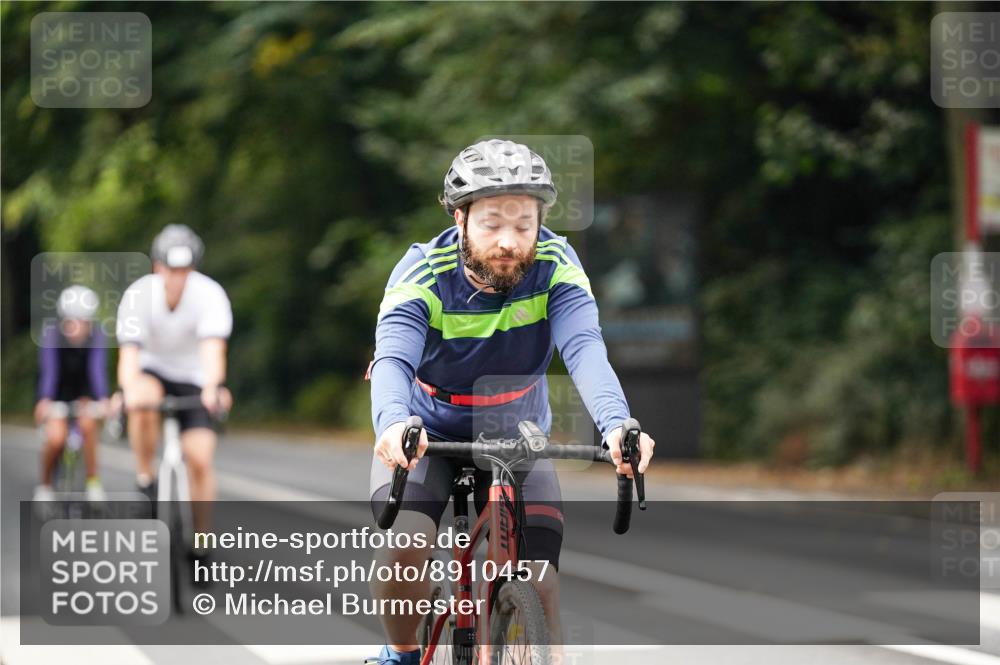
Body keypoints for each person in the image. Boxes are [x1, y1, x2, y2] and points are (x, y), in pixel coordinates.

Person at [367, 139, 656, 664]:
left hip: (515, 433)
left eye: (524, 225)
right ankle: (402, 654)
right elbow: (392, 361)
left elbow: (585, 349)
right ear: (460, 218)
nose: (508, 241)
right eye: (492, 224)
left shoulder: (556, 264)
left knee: (540, 585)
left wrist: (617, 424)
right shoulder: (422, 272)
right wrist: (391, 424)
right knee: (404, 548)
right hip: (428, 432)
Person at [116, 224, 233, 537]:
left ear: (192, 268)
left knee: (200, 458)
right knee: (142, 399)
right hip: (152, 370)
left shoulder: (209, 294)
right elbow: (129, 354)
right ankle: (146, 479)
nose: (178, 277)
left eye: (184, 270)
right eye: (171, 269)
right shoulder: (139, 295)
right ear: (158, 267)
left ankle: (201, 537)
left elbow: (213, 349)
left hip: (194, 377)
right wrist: (126, 391)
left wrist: (213, 387)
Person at [34, 285, 110, 503]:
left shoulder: (97, 335)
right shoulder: (51, 335)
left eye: (83, 322)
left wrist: (103, 398)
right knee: (56, 438)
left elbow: (97, 369)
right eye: (72, 321)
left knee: (88, 427)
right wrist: (45, 400)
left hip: (84, 394)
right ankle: (45, 485)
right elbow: (50, 372)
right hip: (56, 394)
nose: (77, 327)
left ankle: (93, 481)